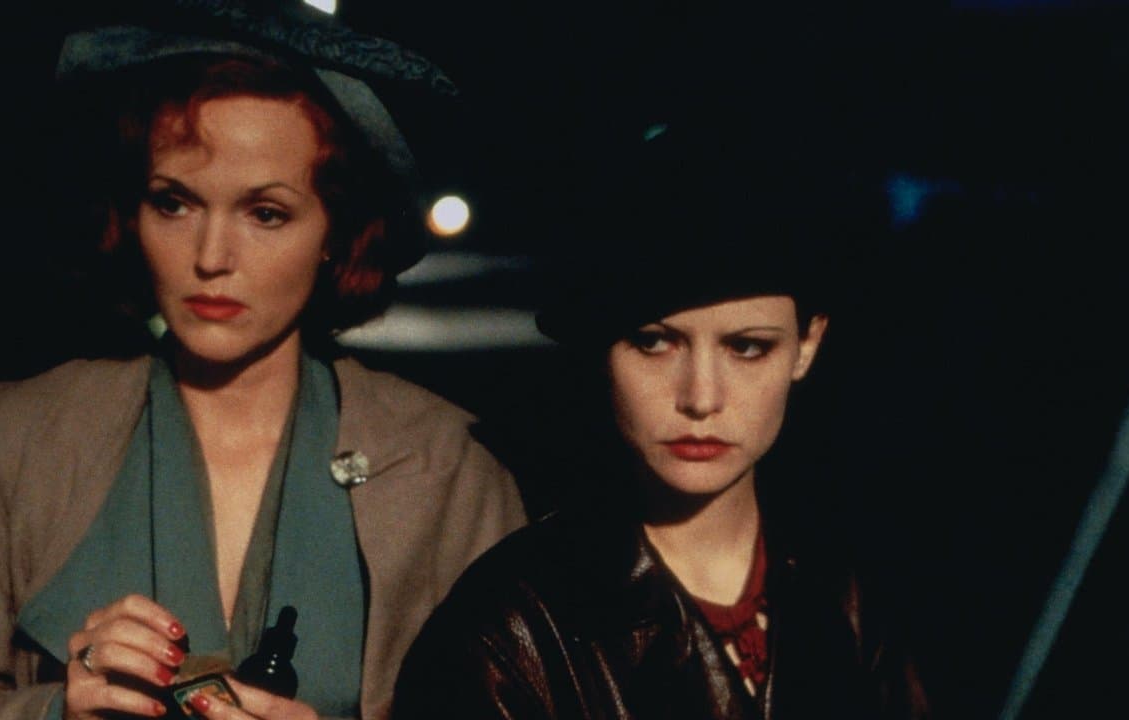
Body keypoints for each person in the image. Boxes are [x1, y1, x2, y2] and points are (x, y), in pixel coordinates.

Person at [0, 3, 524, 720]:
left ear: (335, 233)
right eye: (175, 204)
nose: (212, 257)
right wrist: (57, 711)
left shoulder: (446, 467)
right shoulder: (22, 436)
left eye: (265, 214)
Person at [391, 120, 929, 719]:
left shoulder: (850, 596)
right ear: (602, 349)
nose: (701, 398)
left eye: (747, 347)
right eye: (654, 342)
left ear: (807, 346)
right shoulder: (507, 632)